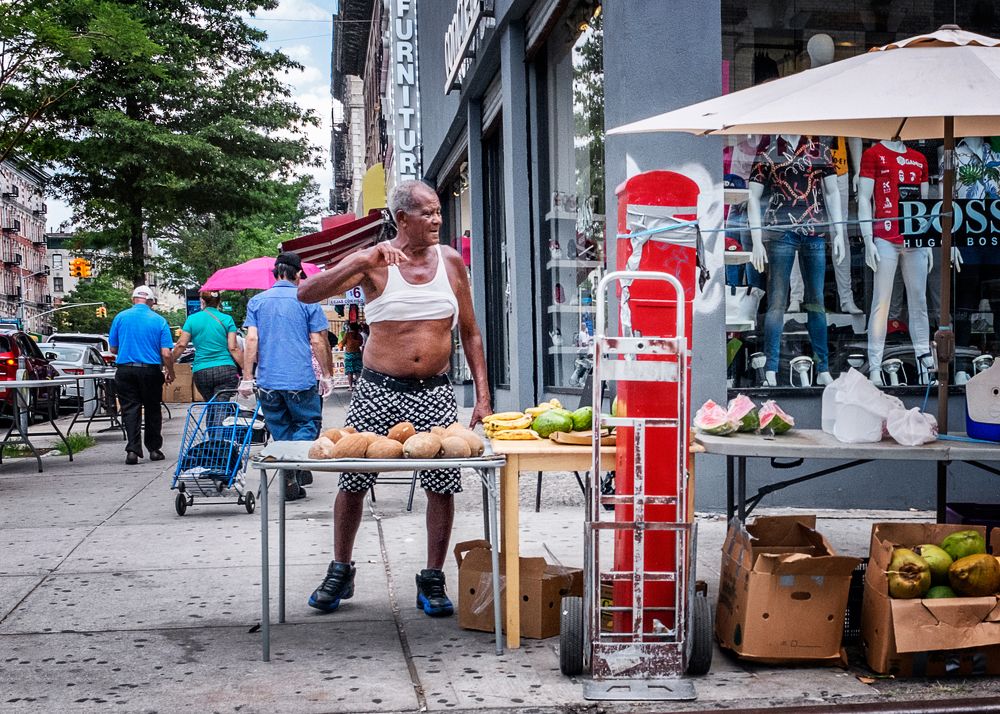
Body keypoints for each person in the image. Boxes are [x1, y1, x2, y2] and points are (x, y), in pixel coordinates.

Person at [297, 179, 491, 618]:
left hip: (435, 393)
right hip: (377, 388)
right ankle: (340, 568)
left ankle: (432, 578)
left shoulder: (451, 262)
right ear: (402, 218)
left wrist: (483, 396)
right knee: (353, 480)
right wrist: (363, 257)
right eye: (427, 212)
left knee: (441, 485)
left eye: (439, 210)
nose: (438, 219)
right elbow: (305, 293)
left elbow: (471, 332)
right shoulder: (373, 263)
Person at [748, 134, 846, 387]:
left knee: (816, 300)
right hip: (781, 230)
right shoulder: (769, 148)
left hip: (814, 229)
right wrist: (756, 240)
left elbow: (833, 191)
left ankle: (823, 368)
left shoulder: (818, 148)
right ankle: (771, 366)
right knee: (777, 300)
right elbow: (752, 196)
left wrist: (840, 233)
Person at [239, 252, 334, 500]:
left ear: (275, 272)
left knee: (279, 427)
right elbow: (317, 339)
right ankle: (294, 467)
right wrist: (326, 375)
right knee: (307, 423)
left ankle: (291, 469)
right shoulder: (308, 301)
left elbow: (251, 339)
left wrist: (247, 377)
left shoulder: (257, 302)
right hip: (300, 379)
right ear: (299, 274)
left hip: (268, 380)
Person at [109, 285, 175, 465]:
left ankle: (132, 450)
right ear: (151, 301)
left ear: (133, 299)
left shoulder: (120, 318)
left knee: (130, 409)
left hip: (125, 370)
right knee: (153, 409)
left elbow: (113, 348)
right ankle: (154, 449)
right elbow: (166, 353)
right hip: (150, 370)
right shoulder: (159, 320)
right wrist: (170, 370)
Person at [171, 290, 242, 401]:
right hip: (226, 369)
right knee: (221, 405)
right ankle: (222, 416)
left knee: (211, 404)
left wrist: (169, 364)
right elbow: (233, 348)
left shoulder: (192, 319)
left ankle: (216, 416)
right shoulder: (227, 319)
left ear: (202, 301)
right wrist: (247, 372)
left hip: (202, 370)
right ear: (219, 302)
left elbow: (181, 344)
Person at [340, 322, 363, 389]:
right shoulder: (359, 335)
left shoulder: (347, 334)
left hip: (349, 355)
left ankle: (350, 387)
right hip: (357, 354)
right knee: (357, 371)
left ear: (349, 327)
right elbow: (361, 343)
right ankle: (358, 386)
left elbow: (341, 344)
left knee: (350, 371)